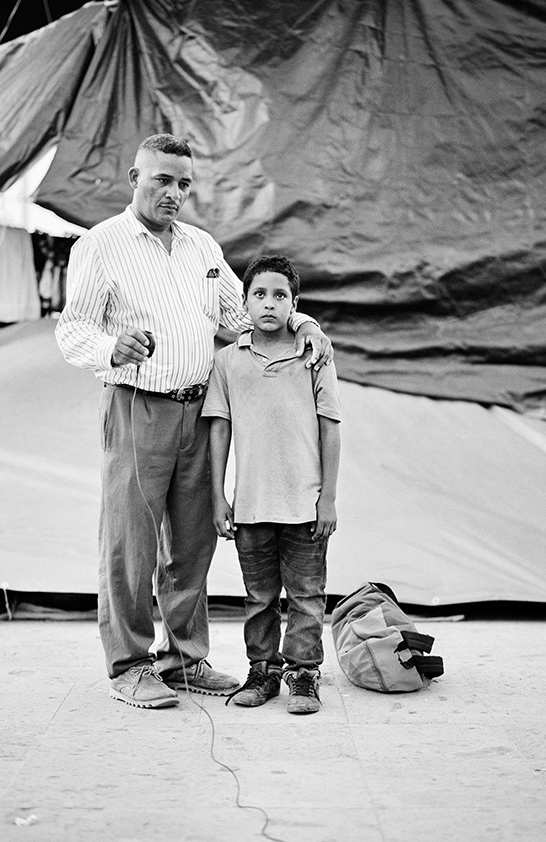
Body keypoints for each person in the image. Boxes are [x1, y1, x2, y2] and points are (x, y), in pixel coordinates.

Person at [55, 134, 334, 709]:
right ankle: (130, 665)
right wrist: (110, 347)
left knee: (193, 543)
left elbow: (243, 312)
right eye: (162, 180)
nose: (174, 193)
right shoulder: (100, 245)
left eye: (183, 183)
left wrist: (301, 322)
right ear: (135, 178)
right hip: (137, 405)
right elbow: (72, 328)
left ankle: (183, 659)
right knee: (131, 544)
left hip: (202, 409)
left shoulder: (201, 247)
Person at [203, 255, 341, 714]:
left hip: (305, 504)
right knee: (259, 597)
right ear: (244, 303)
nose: (269, 303)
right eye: (259, 294)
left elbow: (330, 427)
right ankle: (262, 672)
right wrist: (218, 496)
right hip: (251, 505)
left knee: (306, 596)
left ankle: (303, 674)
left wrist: (328, 498)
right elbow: (219, 428)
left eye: (280, 295)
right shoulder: (227, 361)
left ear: (294, 304)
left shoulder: (315, 355)